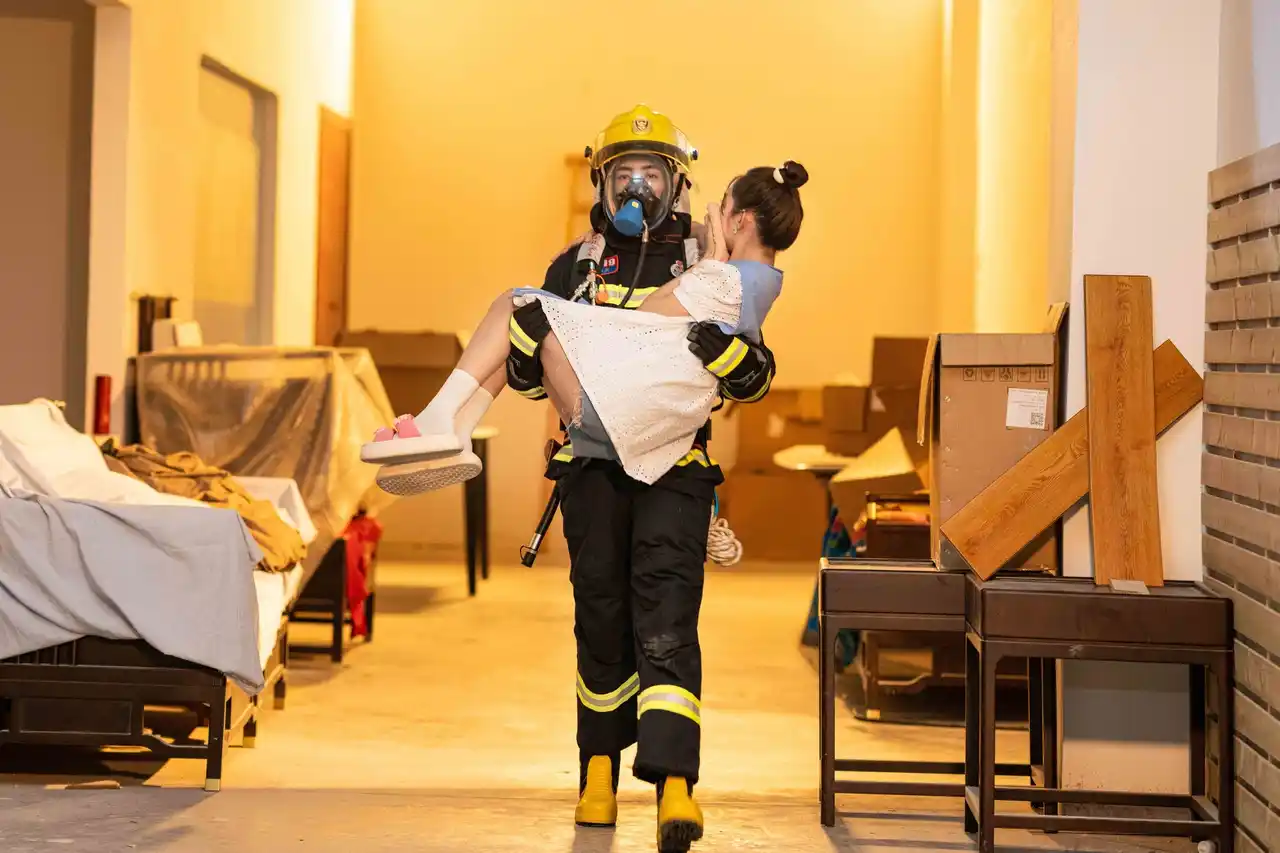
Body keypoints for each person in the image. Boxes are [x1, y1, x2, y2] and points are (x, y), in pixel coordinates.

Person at [362, 155, 808, 853]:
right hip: (594, 466)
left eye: (652, 173)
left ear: (682, 184)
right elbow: (530, 375)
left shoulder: (706, 259)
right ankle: (598, 774)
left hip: (671, 469)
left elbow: (750, 371)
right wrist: (535, 346)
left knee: (666, 624)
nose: (637, 187)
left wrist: (723, 352)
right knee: (600, 620)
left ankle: (675, 786)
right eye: (624, 172)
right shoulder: (577, 262)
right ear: (601, 179)